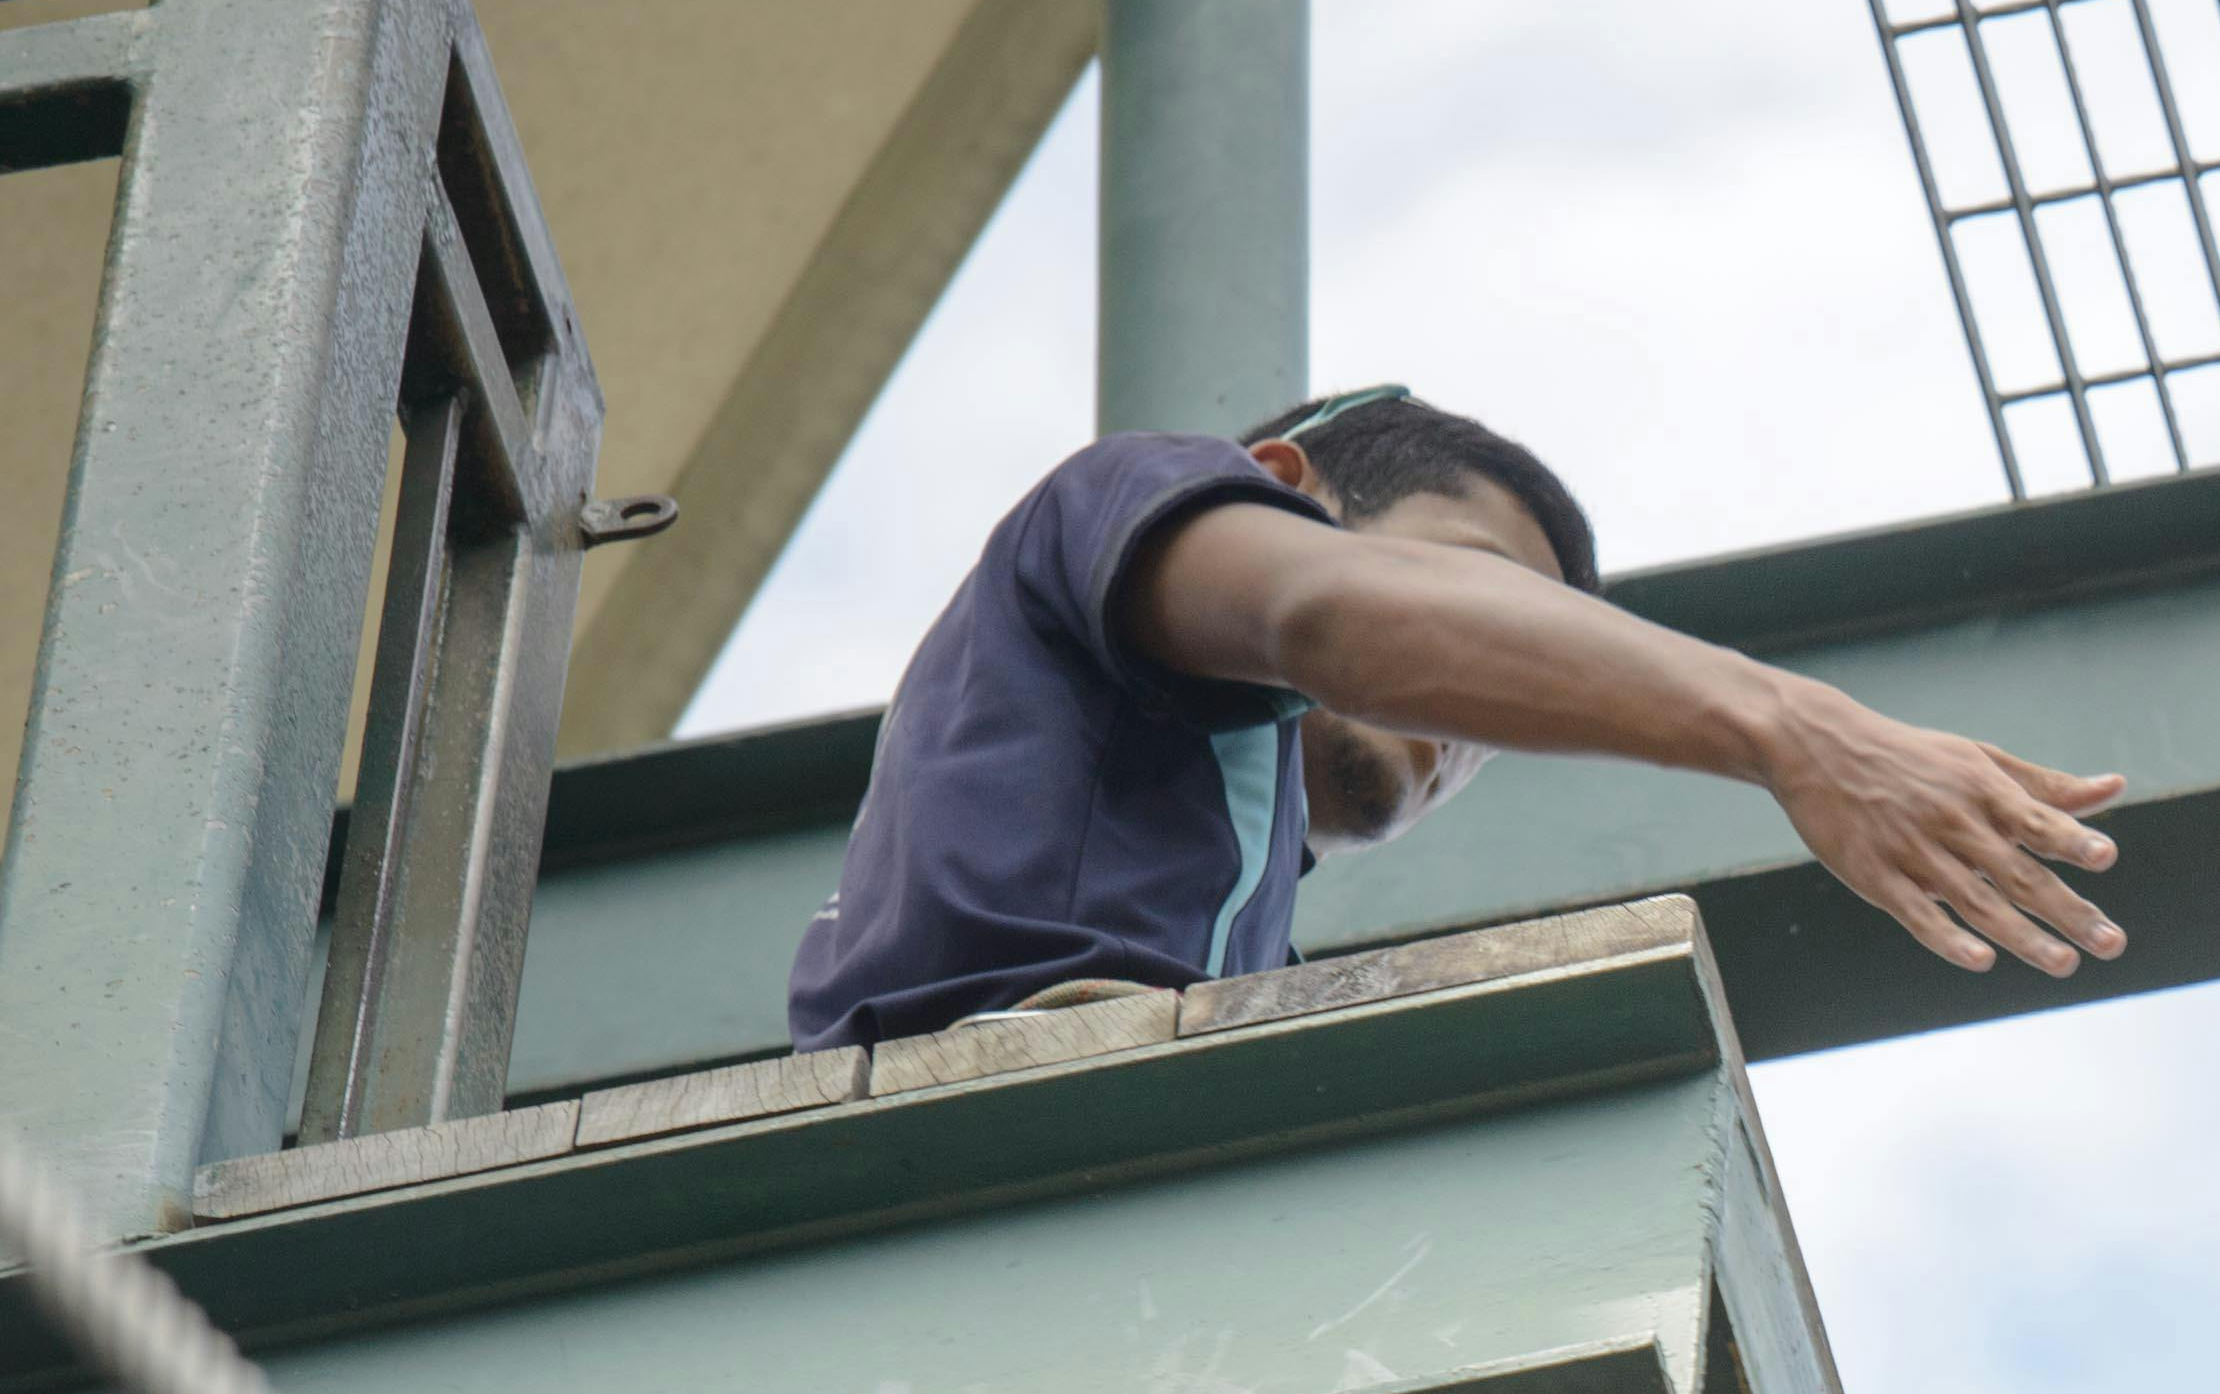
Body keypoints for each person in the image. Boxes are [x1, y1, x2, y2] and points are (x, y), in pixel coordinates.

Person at [782, 384, 2131, 1049]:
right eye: (1482, 592)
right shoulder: (1122, 499)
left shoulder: (1212, 902)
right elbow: (1322, 615)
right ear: (1282, 487)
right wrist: (1794, 727)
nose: (1475, 713)